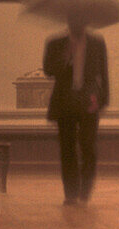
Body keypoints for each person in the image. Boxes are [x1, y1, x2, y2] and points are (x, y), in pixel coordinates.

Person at [43, 19, 109, 205]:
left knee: (88, 147)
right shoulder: (55, 43)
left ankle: (85, 192)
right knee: (67, 148)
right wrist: (66, 55)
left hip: (89, 101)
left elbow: (103, 73)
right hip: (65, 101)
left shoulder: (97, 43)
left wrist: (103, 101)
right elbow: (48, 70)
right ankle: (71, 194)